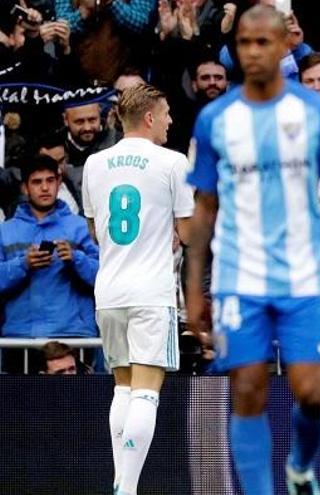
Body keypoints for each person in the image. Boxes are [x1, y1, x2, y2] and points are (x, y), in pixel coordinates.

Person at [184, 6, 320, 494]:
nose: (253, 52)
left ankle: (301, 466)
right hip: (241, 276)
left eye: (263, 43)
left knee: (313, 393)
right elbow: (204, 206)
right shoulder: (215, 119)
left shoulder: (316, 111)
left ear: (284, 47)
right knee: (248, 390)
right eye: (244, 43)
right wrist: (194, 285)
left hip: (303, 275)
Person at [82, 84, 193, 495]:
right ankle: (126, 490)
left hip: (109, 290)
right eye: (165, 114)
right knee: (146, 393)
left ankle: (120, 483)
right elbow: (188, 232)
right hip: (151, 290)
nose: (170, 121)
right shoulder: (173, 162)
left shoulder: (94, 164)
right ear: (149, 117)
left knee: (123, 388)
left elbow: (95, 230)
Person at [0, 156, 99, 341]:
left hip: (74, 335)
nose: (45, 188)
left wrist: (76, 259)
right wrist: (22, 264)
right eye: (37, 182)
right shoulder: (4, 231)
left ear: (59, 182)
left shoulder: (82, 228)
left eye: (50, 180)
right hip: (18, 337)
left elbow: (106, 277)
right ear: (25, 187)